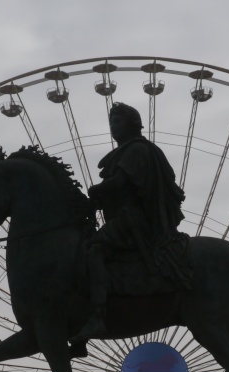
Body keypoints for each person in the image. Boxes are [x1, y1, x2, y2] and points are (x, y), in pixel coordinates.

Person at [70, 103, 191, 344]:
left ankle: (97, 316)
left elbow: (121, 183)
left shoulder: (137, 150)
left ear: (132, 124)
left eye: (118, 121)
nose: (113, 126)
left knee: (94, 252)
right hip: (125, 217)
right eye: (111, 121)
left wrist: (96, 190)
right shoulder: (127, 151)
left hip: (133, 220)